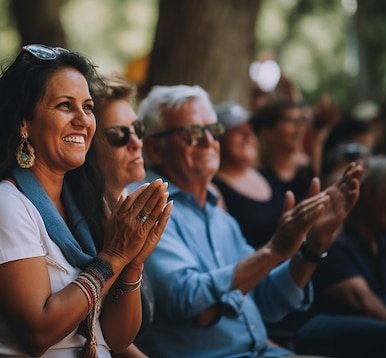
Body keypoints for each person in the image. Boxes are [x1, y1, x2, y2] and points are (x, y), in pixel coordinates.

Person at [0, 44, 172, 357]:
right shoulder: (3, 206)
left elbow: (117, 337)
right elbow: (39, 332)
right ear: (23, 123)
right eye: (65, 106)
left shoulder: (88, 204)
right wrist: (113, 255)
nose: (83, 120)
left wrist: (132, 262)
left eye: (87, 107)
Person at [134, 84, 363, 357]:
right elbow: (189, 302)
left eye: (214, 130)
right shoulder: (149, 210)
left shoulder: (220, 218)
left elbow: (265, 300)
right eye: (193, 133)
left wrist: (312, 247)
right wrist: (273, 251)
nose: (209, 142)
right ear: (155, 150)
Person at [292, 156, 386, 357]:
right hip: (323, 332)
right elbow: (361, 301)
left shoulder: (380, 239)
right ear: (370, 193)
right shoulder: (335, 239)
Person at [91, 73, 149, 358]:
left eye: (137, 128)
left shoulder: (135, 200)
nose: (136, 142)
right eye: (119, 135)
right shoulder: (85, 220)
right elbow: (108, 333)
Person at [212, 101, 284, 249]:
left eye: (251, 130)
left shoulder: (267, 174)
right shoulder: (212, 188)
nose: (248, 136)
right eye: (238, 130)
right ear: (218, 138)